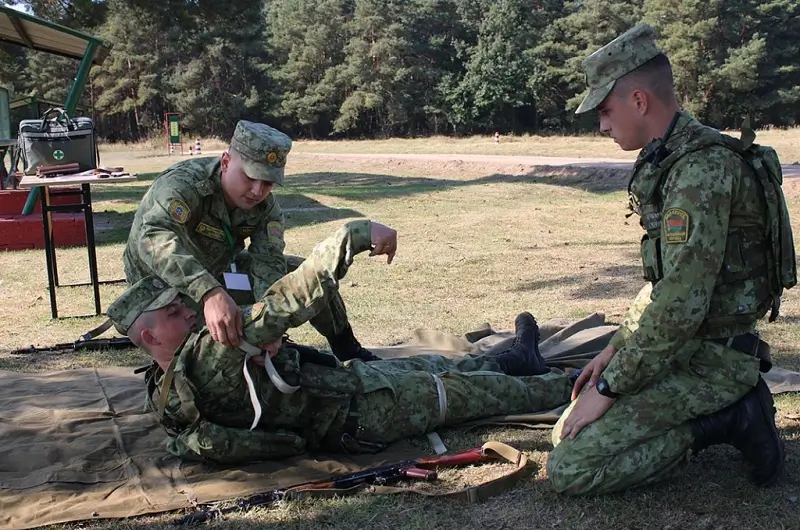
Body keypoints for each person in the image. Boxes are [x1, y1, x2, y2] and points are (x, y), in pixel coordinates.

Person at [546, 23, 795, 495]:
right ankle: (722, 413)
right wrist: (614, 348)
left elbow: (681, 303)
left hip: (715, 361)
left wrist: (609, 388)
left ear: (639, 101)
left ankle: (733, 417)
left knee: (570, 469)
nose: (602, 125)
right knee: (564, 432)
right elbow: (664, 286)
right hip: (685, 349)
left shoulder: (700, 171)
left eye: (605, 110)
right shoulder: (673, 158)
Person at [108, 219, 572, 464]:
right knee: (478, 395)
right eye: (174, 312)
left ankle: (516, 358)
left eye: (183, 303)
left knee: (430, 365)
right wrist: (355, 235)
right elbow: (291, 298)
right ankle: (577, 385)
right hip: (366, 413)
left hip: (345, 387)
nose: (190, 310)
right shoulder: (212, 350)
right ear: (149, 336)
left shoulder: (165, 385)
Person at [122, 120, 379, 362]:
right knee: (216, 351)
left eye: (267, 182)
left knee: (304, 275)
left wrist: (269, 324)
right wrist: (209, 292)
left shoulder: (265, 209)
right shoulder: (183, 186)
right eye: (250, 177)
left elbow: (268, 263)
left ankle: (347, 349)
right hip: (157, 293)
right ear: (225, 162)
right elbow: (153, 240)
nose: (257, 191)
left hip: (216, 276)